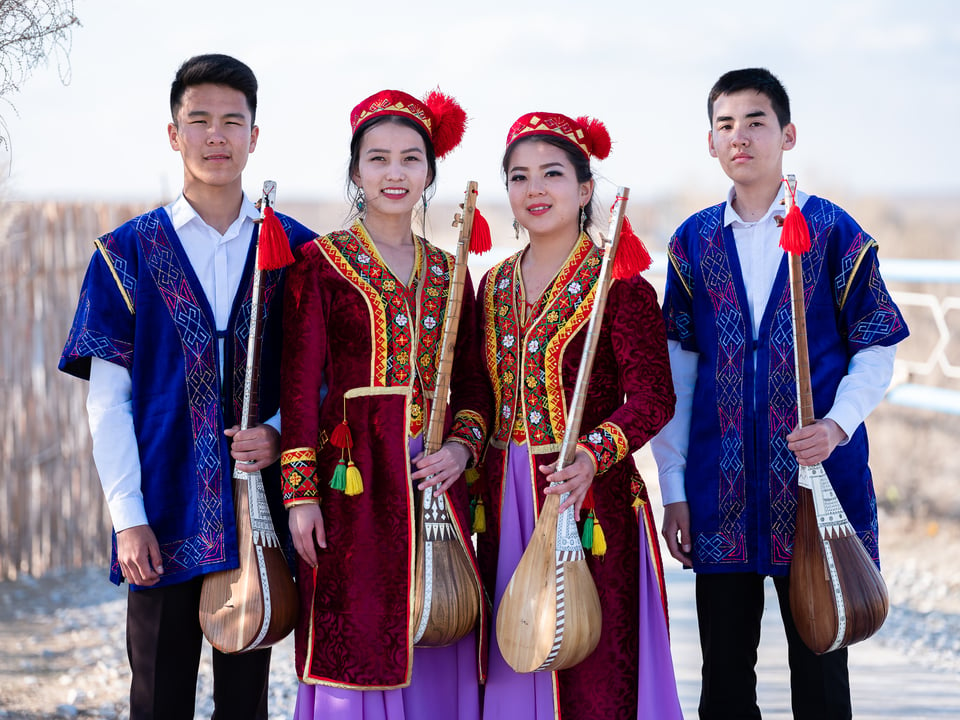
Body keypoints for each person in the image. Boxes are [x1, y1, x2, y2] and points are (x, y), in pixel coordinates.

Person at [58, 54, 315, 719]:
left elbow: (318, 378)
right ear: (174, 134)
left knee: (245, 703)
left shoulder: (295, 250)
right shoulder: (127, 254)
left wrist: (279, 432)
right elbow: (106, 400)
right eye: (199, 120)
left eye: (233, 121)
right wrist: (127, 518)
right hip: (163, 513)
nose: (217, 136)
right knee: (157, 698)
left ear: (255, 136)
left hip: (257, 516)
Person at [651, 67, 910, 719]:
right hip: (722, 493)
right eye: (725, 125)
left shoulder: (832, 232)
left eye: (756, 122)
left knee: (822, 669)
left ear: (788, 135)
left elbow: (878, 345)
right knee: (726, 677)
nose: (741, 137)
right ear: (710, 143)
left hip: (816, 487)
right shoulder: (692, 242)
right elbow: (677, 372)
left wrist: (838, 424)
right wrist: (676, 489)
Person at [279, 88, 491, 720]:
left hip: (433, 482)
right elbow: (297, 389)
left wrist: (462, 446)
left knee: (439, 621)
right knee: (357, 634)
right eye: (377, 159)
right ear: (355, 171)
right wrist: (300, 496)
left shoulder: (453, 274)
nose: (394, 173)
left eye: (410, 159)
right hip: (352, 490)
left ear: (430, 171)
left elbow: (476, 386)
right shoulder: (318, 265)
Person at [474, 112, 683, 720]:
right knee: (517, 650)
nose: (534, 189)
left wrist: (594, 453)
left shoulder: (619, 285)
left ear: (586, 188)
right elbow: (482, 398)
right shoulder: (491, 285)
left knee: (592, 667)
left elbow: (653, 399)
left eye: (552, 174)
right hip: (507, 495)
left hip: (591, 500)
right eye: (519, 176)